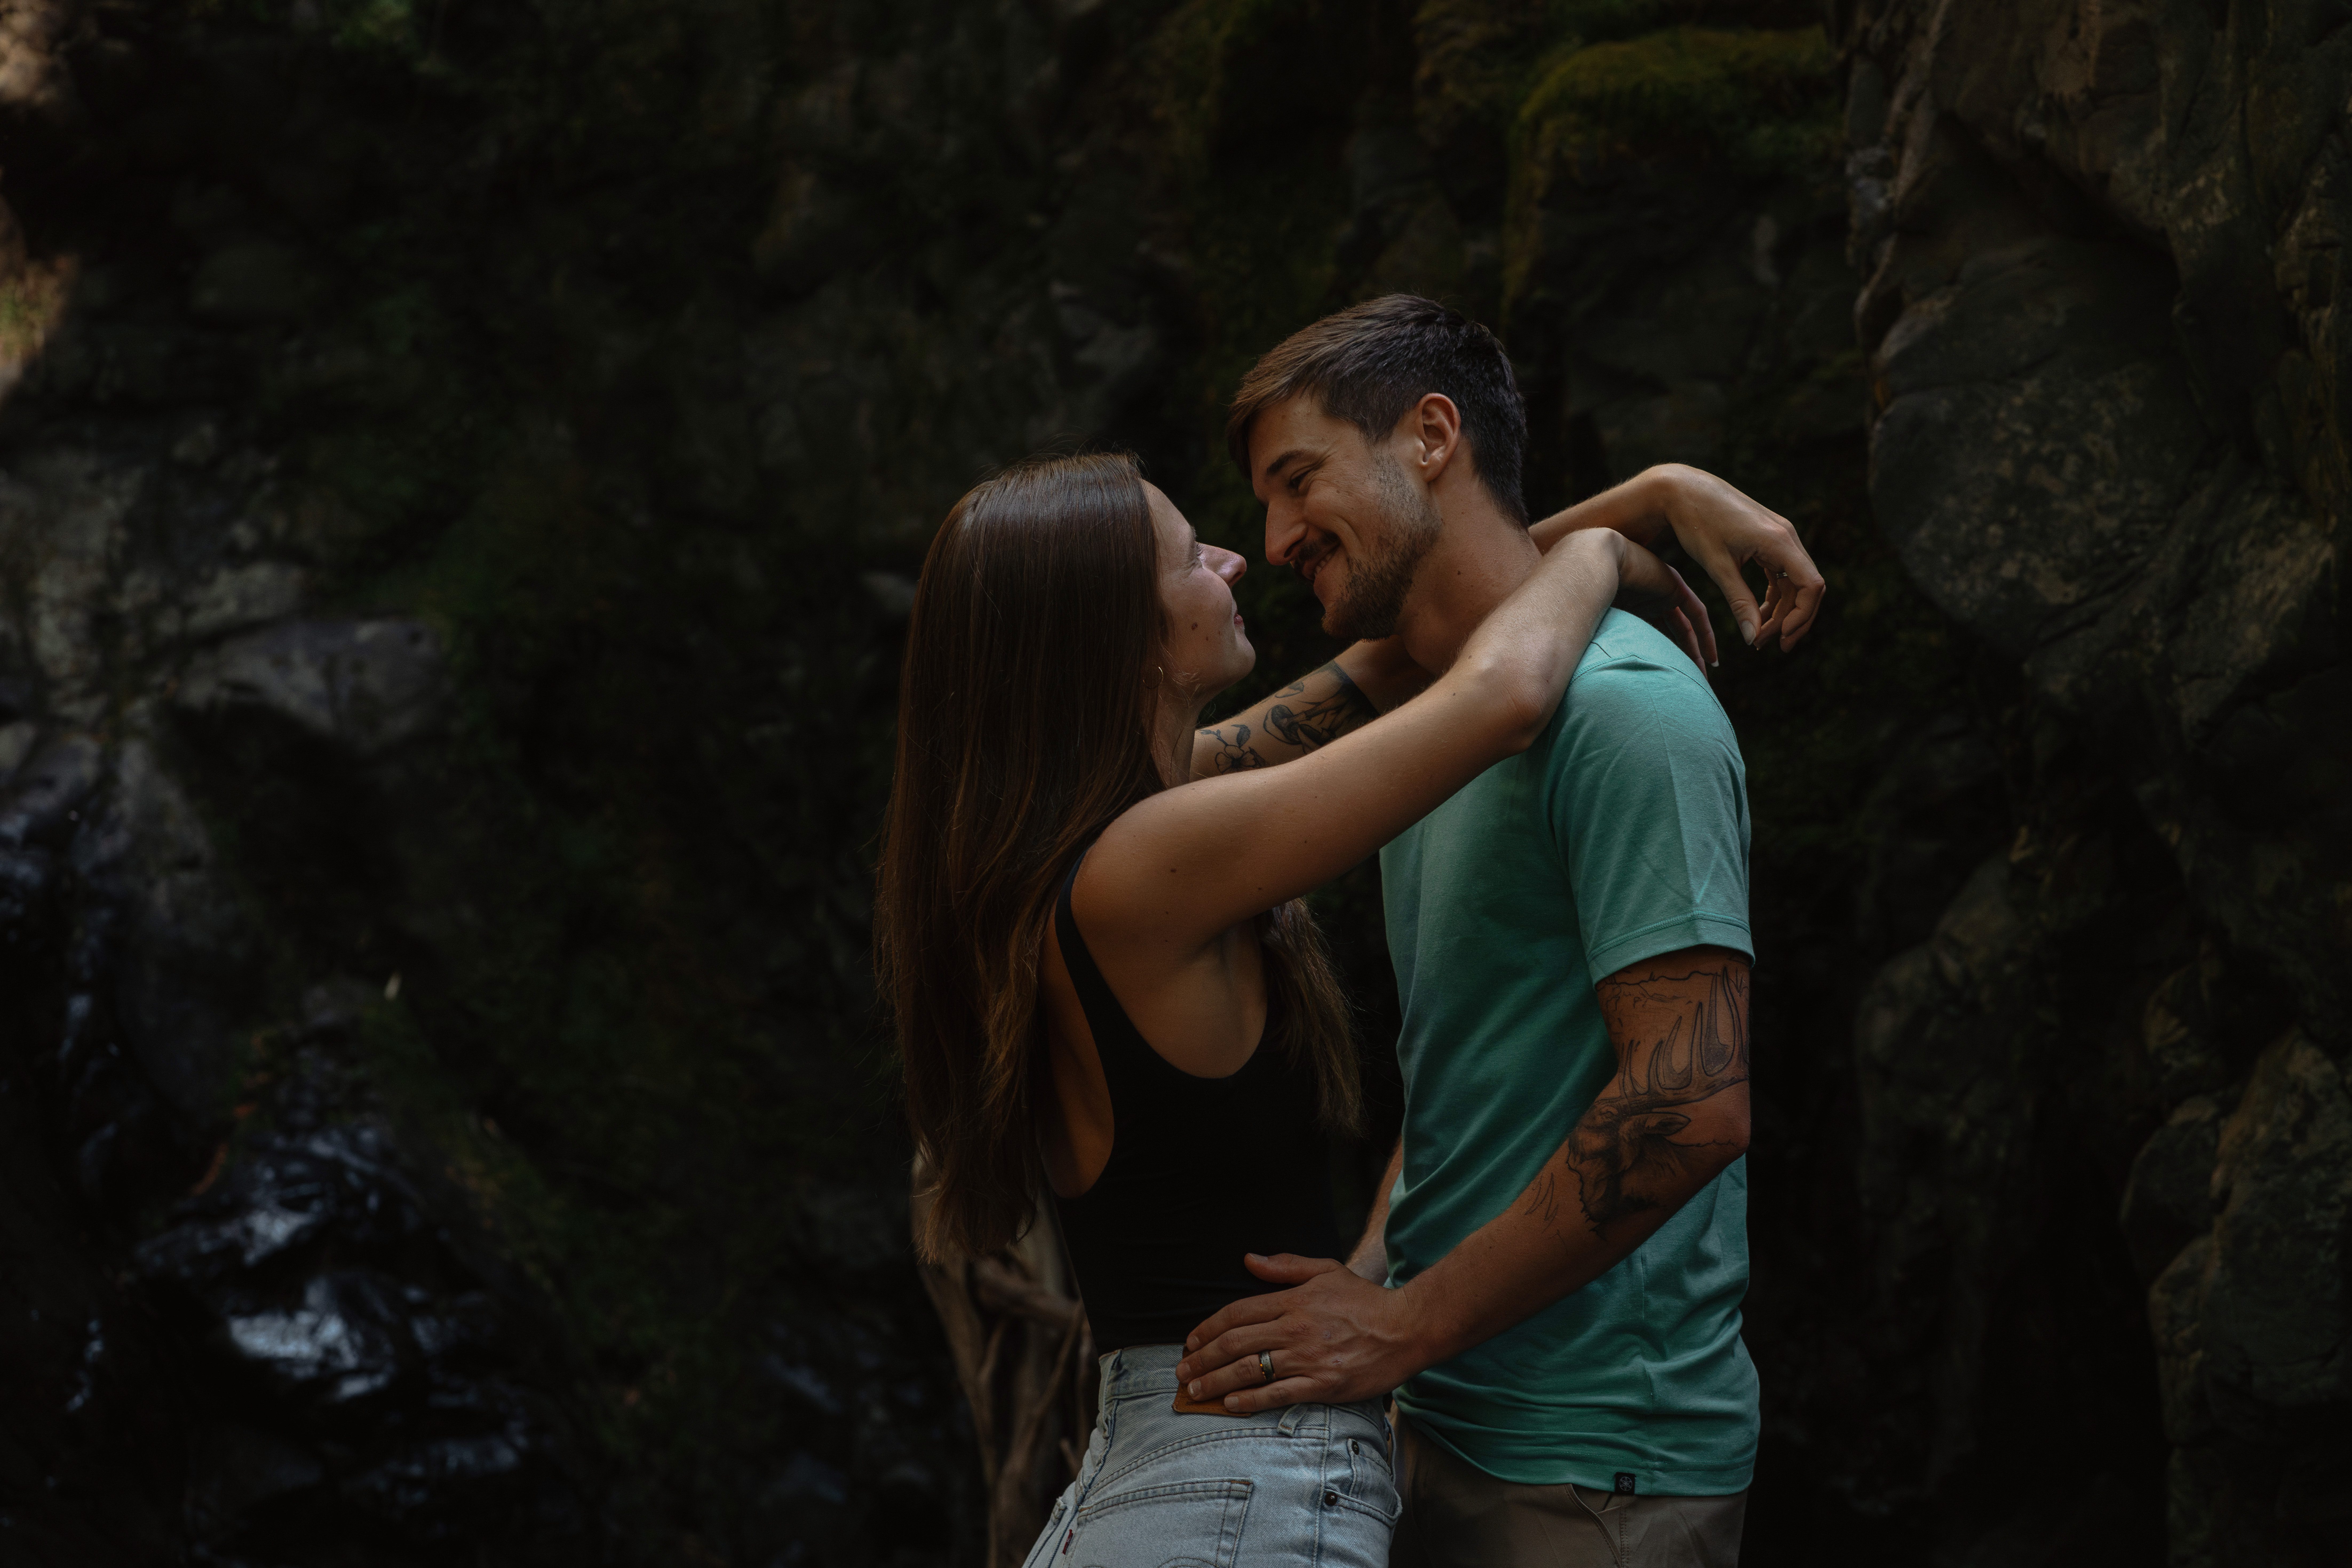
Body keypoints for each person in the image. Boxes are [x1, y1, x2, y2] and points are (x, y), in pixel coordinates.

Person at [875, 426, 1816, 1561]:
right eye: (1187, 560)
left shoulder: (1094, 838)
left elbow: (1410, 647)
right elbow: (1501, 689)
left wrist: (1655, 489)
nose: (1234, 558)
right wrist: (1613, 548)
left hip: (1167, 1462)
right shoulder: (1149, 860)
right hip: (1234, 1495)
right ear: (1116, 643)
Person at [1171, 293, 1823, 1568]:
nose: (1275, 536)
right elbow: (1482, 1060)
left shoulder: (1625, 712)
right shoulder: (1440, 723)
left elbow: (1691, 1104)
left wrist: (1398, 1325)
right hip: (1440, 1419)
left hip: (1597, 1469)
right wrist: (1365, 1294)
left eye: (1297, 482)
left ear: (1430, 435)